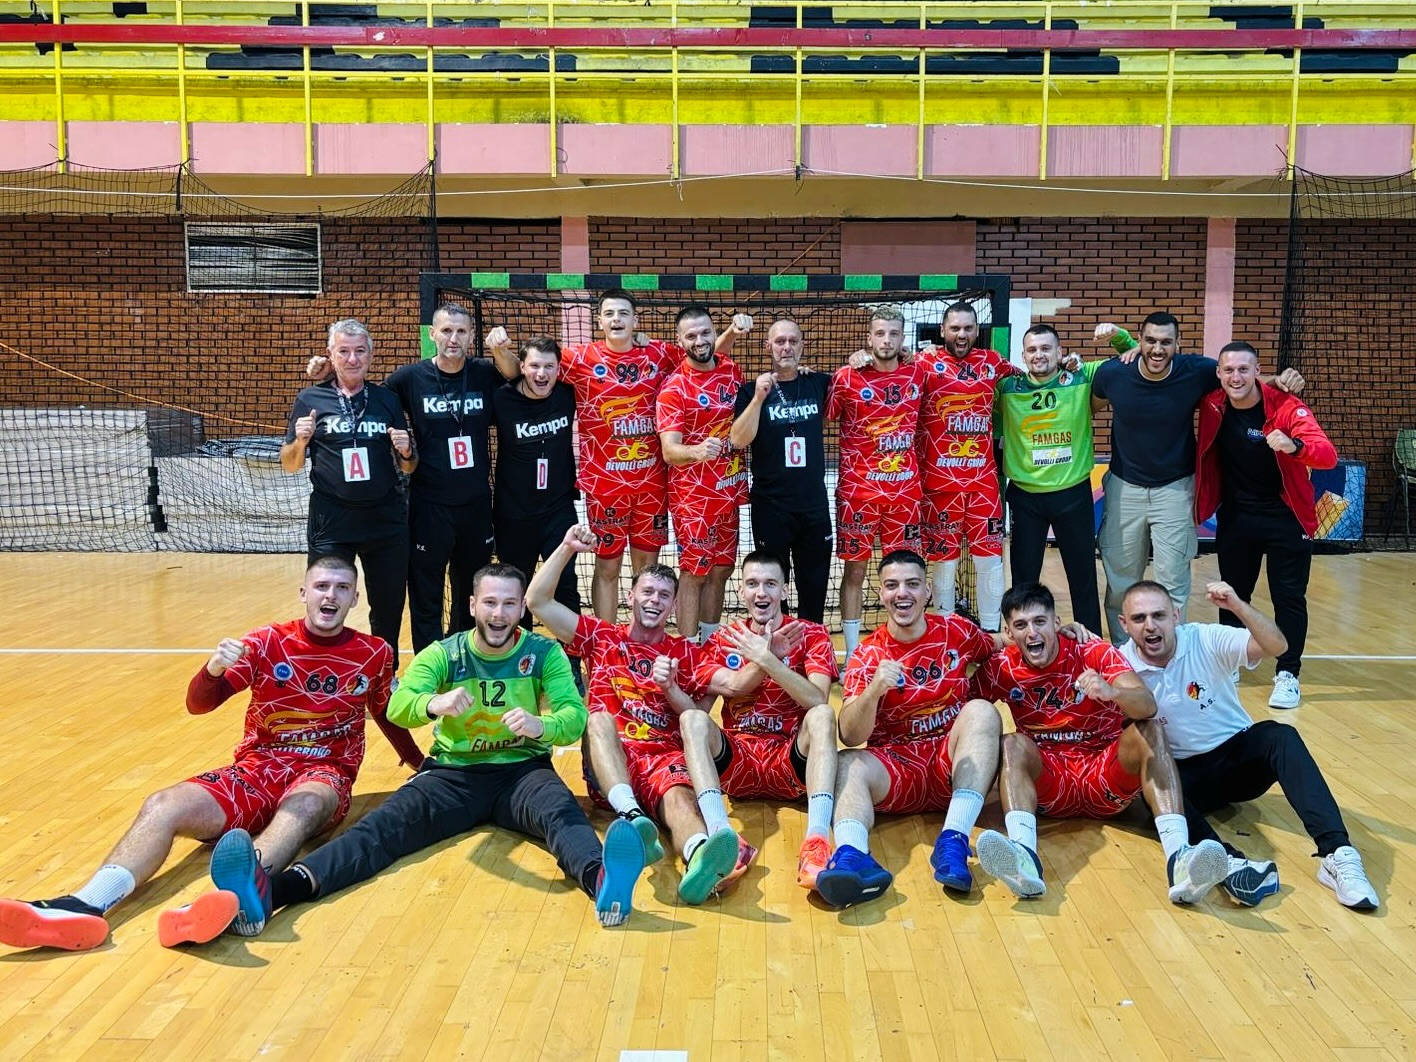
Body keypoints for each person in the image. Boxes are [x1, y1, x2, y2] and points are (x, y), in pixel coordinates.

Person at [196, 563, 649, 934]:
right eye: (490, 602)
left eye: (510, 603)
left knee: (563, 817)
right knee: (379, 830)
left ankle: (603, 882)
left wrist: (539, 725)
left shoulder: (543, 654)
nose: (499, 614)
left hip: (522, 771)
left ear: (521, 609)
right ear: (472, 605)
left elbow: (574, 718)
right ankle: (270, 893)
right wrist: (434, 703)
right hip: (453, 774)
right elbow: (398, 706)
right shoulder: (443, 653)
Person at [0, 556, 422, 951]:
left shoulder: (375, 653)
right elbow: (199, 704)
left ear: (355, 599)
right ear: (303, 593)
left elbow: (386, 713)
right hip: (257, 771)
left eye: (342, 588)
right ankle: (85, 904)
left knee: (303, 806)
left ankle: (234, 901)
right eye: (322, 586)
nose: (330, 595)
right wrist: (213, 669)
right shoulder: (267, 642)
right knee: (163, 804)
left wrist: (419, 763)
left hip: (324, 772)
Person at [1119, 580, 1379, 909]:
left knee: (1280, 736)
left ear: (1175, 615)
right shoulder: (1119, 663)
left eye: (1158, 615)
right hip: (1182, 778)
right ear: (1124, 624)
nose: (1150, 626)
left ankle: (1337, 853)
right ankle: (1227, 863)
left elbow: (1277, 646)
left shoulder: (1204, 638)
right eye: (1139, 618)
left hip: (1236, 761)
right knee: (1149, 785)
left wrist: (1238, 606)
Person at [971, 582, 1231, 905]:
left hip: (1104, 775)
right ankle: (1024, 861)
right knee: (1011, 744)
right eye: (1021, 625)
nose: (1032, 633)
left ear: (1056, 622)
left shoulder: (1092, 651)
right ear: (1009, 632)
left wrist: (1112, 692)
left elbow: (1147, 705)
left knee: (1150, 730)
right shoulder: (1001, 667)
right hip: (1050, 785)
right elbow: (964, 714)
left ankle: (1179, 859)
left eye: (1040, 622)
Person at [527, 524, 747, 904]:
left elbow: (721, 696)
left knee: (680, 801)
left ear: (674, 606)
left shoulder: (686, 654)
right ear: (630, 597)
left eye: (664, 595)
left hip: (663, 760)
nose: (654, 600)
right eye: (647, 591)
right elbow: (537, 602)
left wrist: (759, 656)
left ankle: (699, 856)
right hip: (611, 761)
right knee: (597, 718)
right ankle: (632, 817)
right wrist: (566, 548)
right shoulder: (601, 636)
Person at [308, 305, 518, 653]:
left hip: (477, 504)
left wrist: (501, 351)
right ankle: (428, 664)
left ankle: (463, 660)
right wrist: (333, 367)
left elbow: (515, 377)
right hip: (428, 504)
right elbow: (366, 395)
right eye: (446, 330)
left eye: (461, 331)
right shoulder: (409, 378)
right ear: (432, 334)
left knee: (471, 591)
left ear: (471, 336)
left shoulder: (484, 372)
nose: (453, 338)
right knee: (425, 594)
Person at [1091, 315, 1305, 644]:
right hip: (1124, 488)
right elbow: (1089, 406)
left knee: (1173, 579)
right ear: (1139, 341)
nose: (1158, 349)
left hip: (1176, 489)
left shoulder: (1197, 371)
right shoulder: (1113, 373)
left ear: (1178, 344)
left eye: (1166, 342)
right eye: (1151, 341)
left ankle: (1170, 652)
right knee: (1121, 578)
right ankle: (1123, 652)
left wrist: (1279, 379)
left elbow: (1238, 380)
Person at [814, 550, 1007, 907]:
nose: (902, 593)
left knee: (982, 712)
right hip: (896, 768)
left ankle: (954, 840)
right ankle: (853, 856)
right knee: (846, 763)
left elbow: (999, 644)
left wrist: (1065, 634)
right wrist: (874, 691)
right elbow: (850, 735)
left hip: (951, 764)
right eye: (892, 585)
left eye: (912, 584)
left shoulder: (956, 631)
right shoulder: (868, 655)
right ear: (881, 593)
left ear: (928, 590)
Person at [496, 290, 679, 622]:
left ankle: (644, 640)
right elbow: (523, 370)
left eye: (623, 313)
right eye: (609, 314)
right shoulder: (579, 359)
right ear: (599, 321)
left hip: (651, 485)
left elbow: (703, 358)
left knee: (648, 572)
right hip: (605, 487)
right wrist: (499, 349)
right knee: (607, 567)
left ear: (636, 319)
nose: (616, 319)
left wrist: (730, 333)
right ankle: (606, 642)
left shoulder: (659, 353)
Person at [1195, 342, 1337, 709]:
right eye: (1229, 370)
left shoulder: (1286, 406)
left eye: (1244, 369)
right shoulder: (1212, 404)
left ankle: (1288, 673)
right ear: (1218, 374)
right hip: (1237, 517)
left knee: (1288, 597)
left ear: (1257, 371)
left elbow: (1328, 455)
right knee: (1232, 594)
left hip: (1286, 517)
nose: (1236, 377)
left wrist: (1295, 446)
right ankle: (1231, 661)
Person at [689, 551, 840, 889]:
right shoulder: (724, 639)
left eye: (771, 584)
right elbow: (705, 705)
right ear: (740, 591)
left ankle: (816, 842)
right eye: (753, 584)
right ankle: (723, 837)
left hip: (791, 763)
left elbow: (817, 699)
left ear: (785, 590)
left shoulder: (811, 634)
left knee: (823, 715)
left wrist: (769, 660)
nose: (761, 593)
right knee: (692, 720)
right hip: (738, 764)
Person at [282, 320, 416, 666]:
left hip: (384, 519)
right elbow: (290, 464)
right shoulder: (310, 399)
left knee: (387, 605)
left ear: (370, 355)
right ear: (331, 355)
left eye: (359, 351)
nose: (352, 359)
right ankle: (321, 669)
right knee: (326, 602)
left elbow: (408, 466)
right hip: (332, 519)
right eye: (343, 351)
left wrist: (406, 451)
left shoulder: (386, 399)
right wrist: (301, 440)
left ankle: (385, 674)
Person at [827, 305, 926, 660]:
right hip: (858, 494)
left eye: (893, 334)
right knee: (855, 571)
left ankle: (903, 645)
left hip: (905, 494)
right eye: (880, 333)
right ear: (869, 338)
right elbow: (822, 415)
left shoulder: (918, 371)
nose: (887, 340)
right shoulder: (847, 377)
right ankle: (855, 653)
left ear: (903, 338)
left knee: (905, 575)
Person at [993, 324, 1103, 635]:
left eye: (1045, 348)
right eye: (1032, 350)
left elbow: (1131, 359)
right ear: (1023, 355)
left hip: (1073, 494)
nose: (1038, 355)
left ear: (1059, 352)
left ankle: (1091, 645)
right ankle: (1025, 642)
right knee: (1024, 581)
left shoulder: (1081, 377)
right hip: (1026, 497)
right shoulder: (1007, 387)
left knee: (1083, 577)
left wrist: (1120, 338)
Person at [730, 318, 833, 624]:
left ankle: (812, 642)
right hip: (771, 507)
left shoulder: (818, 383)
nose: (786, 347)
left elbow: (859, 381)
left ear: (802, 346)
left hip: (813, 505)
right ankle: (777, 642)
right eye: (779, 341)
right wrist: (759, 399)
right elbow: (738, 440)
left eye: (792, 341)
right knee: (773, 586)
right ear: (768, 347)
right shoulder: (750, 391)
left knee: (814, 585)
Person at [916, 301, 1012, 630]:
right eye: (955, 328)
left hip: (983, 485)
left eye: (968, 328)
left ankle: (991, 635)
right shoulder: (924, 362)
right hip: (939, 486)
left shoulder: (993, 362)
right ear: (942, 330)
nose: (961, 334)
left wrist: (1067, 363)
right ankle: (946, 635)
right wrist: (862, 357)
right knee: (944, 565)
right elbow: (888, 369)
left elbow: (1034, 377)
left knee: (990, 563)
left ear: (977, 330)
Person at [656, 305, 748, 642]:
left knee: (722, 569)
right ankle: (687, 648)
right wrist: (696, 451)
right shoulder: (674, 389)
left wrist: (733, 332)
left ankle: (708, 644)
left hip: (730, 491)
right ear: (679, 340)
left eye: (705, 332)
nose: (700, 341)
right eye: (691, 336)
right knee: (694, 573)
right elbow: (669, 451)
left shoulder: (732, 371)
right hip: (694, 500)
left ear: (714, 332)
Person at [490, 336, 582, 662]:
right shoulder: (502, 399)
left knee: (566, 586)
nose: (541, 374)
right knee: (517, 588)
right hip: (514, 514)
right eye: (534, 366)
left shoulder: (567, 394)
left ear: (558, 369)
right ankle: (521, 661)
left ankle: (571, 661)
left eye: (548, 367)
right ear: (522, 368)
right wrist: (498, 349)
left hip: (558, 511)